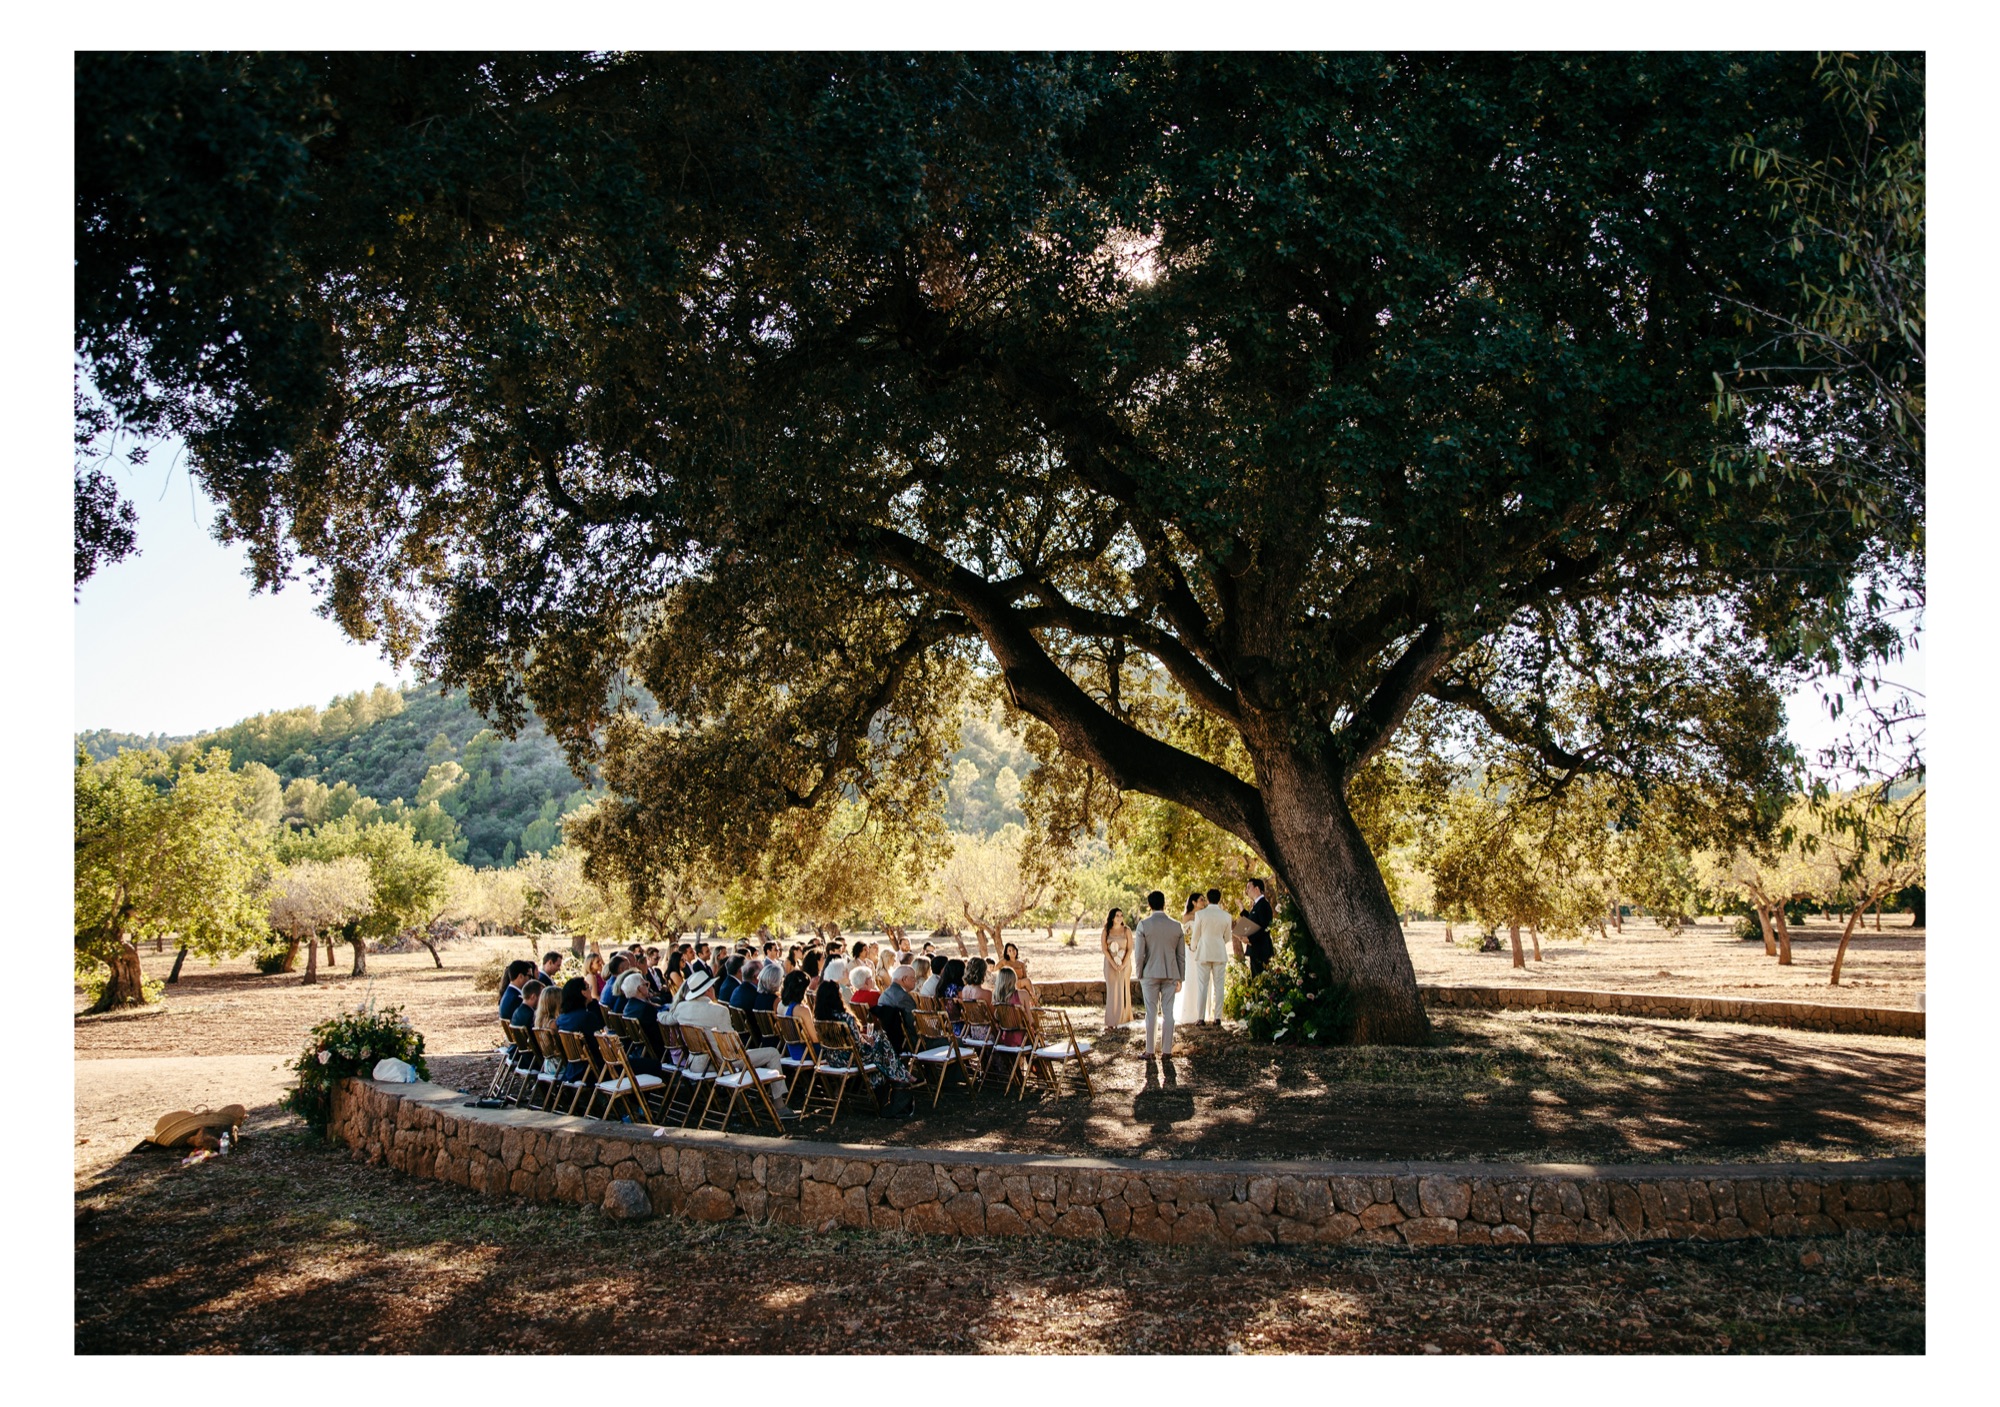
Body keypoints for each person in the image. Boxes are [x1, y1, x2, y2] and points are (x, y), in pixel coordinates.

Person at [669, 971, 797, 1119]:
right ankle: (779, 1105)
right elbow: (732, 1048)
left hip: (696, 1063)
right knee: (773, 1053)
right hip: (721, 1062)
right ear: (708, 990)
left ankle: (745, 1103)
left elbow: (666, 1018)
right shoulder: (719, 1011)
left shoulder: (681, 1008)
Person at [1134, 890, 1187, 1060]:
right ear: (1164, 903)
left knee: (1151, 1012)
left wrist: (1139, 973)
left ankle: (1150, 1051)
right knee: (1168, 1013)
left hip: (1149, 972)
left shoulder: (1143, 925)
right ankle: (1166, 1051)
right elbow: (1181, 955)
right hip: (1171, 973)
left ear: (1149, 905)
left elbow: (1139, 954)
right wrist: (1181, 977)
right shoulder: (1176, 926)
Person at [1187, 886, 1233, 1026]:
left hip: (1204, 952)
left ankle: (1201, 1018)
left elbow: (1196, 935)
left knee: (1203, 986)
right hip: (1219, 952)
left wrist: (1193, 947)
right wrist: (1219, 942)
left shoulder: (1201, 915)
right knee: (1219, 986)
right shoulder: (1226, 916)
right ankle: (1217, 1017)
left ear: (1207, 899)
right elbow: (1228, 937)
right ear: (1219, 899)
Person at [1101, 908, 1134, 1028]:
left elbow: (1130, 949)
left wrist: (1123, 964)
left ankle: (1124, 1019)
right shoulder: (1106, 931)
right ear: (1112, 918)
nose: (1120, 917)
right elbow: (1104, 949)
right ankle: (1112, 1020)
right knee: (1112, 990)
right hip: (1110, 964)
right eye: (1117, 915)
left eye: (1121, 915)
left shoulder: (1127, 930)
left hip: (1125, 964)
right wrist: (1113, 964)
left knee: (1123, 989)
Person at [876, 963, 918, 1052]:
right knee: (950, 1042)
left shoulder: (884, 994)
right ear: (905, 979)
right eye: (913, 978)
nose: (916, 981)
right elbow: (914, 1024)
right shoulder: (903, 997)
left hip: (890, 1041)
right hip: (908, 1043)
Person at [1243, 878, 1275, 978]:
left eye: (1249, 887)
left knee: (1261, 980)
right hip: (1255, 950)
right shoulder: (1256, 905)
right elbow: (1251, 922)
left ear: (1256, 888)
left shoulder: (1263, 905)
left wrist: (1249, 938)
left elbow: (1264, 927)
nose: (1247, 891)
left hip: (1261, 950)